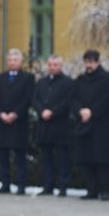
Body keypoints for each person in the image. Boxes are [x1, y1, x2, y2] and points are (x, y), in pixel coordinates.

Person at [72, 50, 109, 201]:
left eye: (92, 62)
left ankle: (105, 190)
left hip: (102, 125)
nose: (89, 65)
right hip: (84, 125)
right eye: (87, 62)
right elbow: (73, 99)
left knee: (102, 160)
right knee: (87, 159)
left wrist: (92, 111)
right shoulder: (80, 80)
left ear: (98, 62)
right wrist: (80, 110)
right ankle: (91, 189)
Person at [0, 48, 35, 195]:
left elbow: (28, 99)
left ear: (21, 62)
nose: (12, 63)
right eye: (10, 60)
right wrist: (1, 113)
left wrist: (15, 114)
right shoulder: (0, 77)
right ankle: (5, 183)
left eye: (15, 60)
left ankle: (21, 184)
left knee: (20, 156)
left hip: (18, 122)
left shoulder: (28, 78)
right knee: (3, 155)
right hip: (2, 122)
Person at [33, 54, 73, 196]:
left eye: (55, 65)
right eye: (50, 65)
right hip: (44, 125)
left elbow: (68, 102)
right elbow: (35, 98)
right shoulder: (42, 82)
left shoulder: (68, 82)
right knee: (46, 158)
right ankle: (48, 185)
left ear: (61, 66)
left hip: (60, 125)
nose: (52, 67)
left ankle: (63, 186)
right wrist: (41, 111)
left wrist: (52, 112)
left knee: (62, 159)